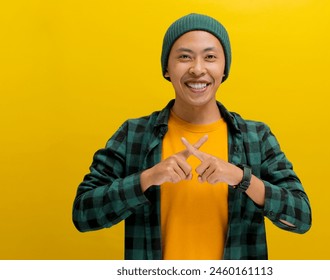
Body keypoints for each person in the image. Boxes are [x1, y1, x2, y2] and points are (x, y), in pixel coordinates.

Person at [72, 13, 312, 260]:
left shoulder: (256, 137)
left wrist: (242, 178)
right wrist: (147, 178)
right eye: (184, 57)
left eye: (210, 57)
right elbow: (82, 214)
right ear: (167, 68)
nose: (198, 69)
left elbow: (301, 217)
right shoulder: (134, 134)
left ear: (224, 69)